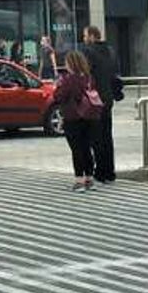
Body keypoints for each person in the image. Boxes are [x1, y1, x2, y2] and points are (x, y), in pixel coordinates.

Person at [53, 50, 102, 190]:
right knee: (87, 148)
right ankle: (89, 179)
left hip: (73, 117)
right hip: (90, 116)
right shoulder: (89, 77)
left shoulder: (69, 79)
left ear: (71, 63)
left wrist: (58, 86)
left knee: (77, 149)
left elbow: (59, 96)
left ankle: (79, 180)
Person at [79, 26, 118, 184]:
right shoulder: (110, 51)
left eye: (85, 35)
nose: (83, 38)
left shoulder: (88, 52)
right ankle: (109, 171)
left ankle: (100, 171)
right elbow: (115, 74)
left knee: (96, 137)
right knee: (107, 136)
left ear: (92, 37)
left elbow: (85, 74)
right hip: (107, 99)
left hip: (94, 100)